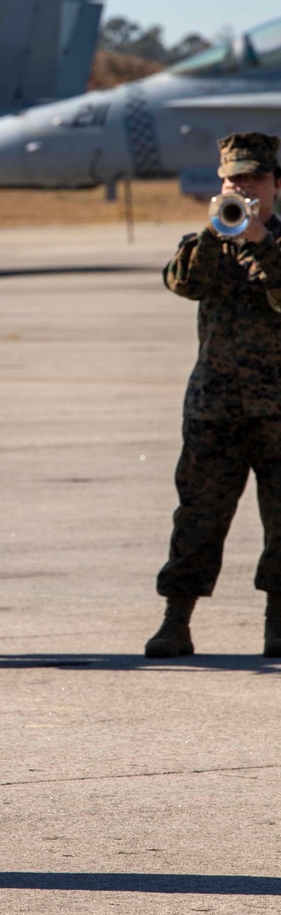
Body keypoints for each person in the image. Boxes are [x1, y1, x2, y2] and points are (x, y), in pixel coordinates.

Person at [146, 132, 281, 658]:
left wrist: (261, 241)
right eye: (231, 178)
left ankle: (277, 621)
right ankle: (175, 620)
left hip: (277, 410)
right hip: (215, 409)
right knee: (197, 518)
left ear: (274, 184)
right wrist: (213, 231)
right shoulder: (208, 239)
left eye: (251, 178)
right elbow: (182, 283)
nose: (241, 186)